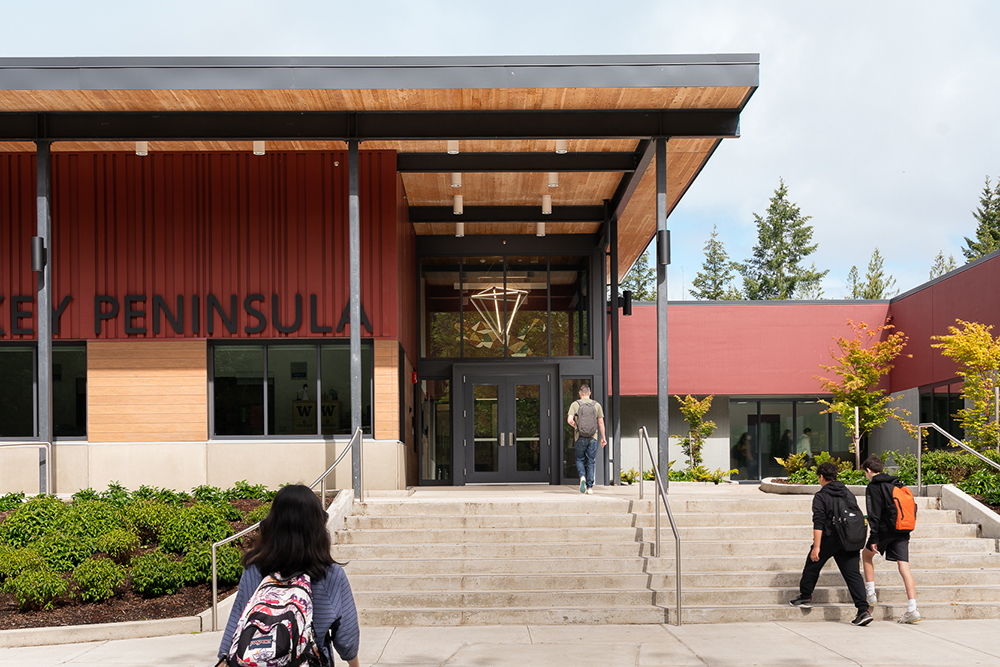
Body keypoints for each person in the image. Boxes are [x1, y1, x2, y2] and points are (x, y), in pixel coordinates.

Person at [216, 484, 360, 667]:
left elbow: (237, 623)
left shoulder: (255, 570)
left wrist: (223, 657)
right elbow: (347, 640)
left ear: (272, 524)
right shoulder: (330, 575)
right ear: (317, 528)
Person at [790, 461, 873, 626]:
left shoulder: (821, 496)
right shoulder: (847, 492)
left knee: (812, 565)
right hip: (849, 540)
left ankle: (805, 597)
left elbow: (818, 522)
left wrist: (816, 547)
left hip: (829, 539)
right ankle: (863, 610)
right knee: (853, 575)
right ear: (836, 476)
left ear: (821, 477)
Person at [861, 455, 920, 623]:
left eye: (865, 472)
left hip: (885, 530)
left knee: (866, 556)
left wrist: (873, 537)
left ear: (869, 470)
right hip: (903, 530)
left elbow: (874, 514)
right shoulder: (897, 484)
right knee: (904, 565)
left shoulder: (874, 486)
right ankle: (912, 609)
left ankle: (871, 594)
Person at [566, 384, 606, 495]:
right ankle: (590, 487)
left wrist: (576, 426)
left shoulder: (575, 404)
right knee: (591, 462)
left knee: (579, 459)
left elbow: (569, 420)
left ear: (580, 393)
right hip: (593, 437)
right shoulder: (596, 405)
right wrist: (603, 437)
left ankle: (582, 476)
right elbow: (601, 422)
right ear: (589, 393)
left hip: (580, 437)